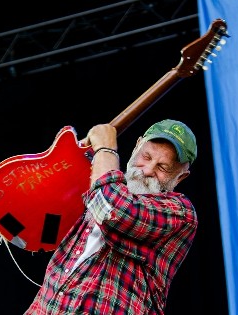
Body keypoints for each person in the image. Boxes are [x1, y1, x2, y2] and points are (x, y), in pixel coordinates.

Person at [24, 119, 198, 315]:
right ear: (136, 146)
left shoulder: (181, 213)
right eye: (146, 156)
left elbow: (112, 210)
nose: (148, 170)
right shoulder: (101, 189)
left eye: (163, 168)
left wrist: (105, 150)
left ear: (181, 177)